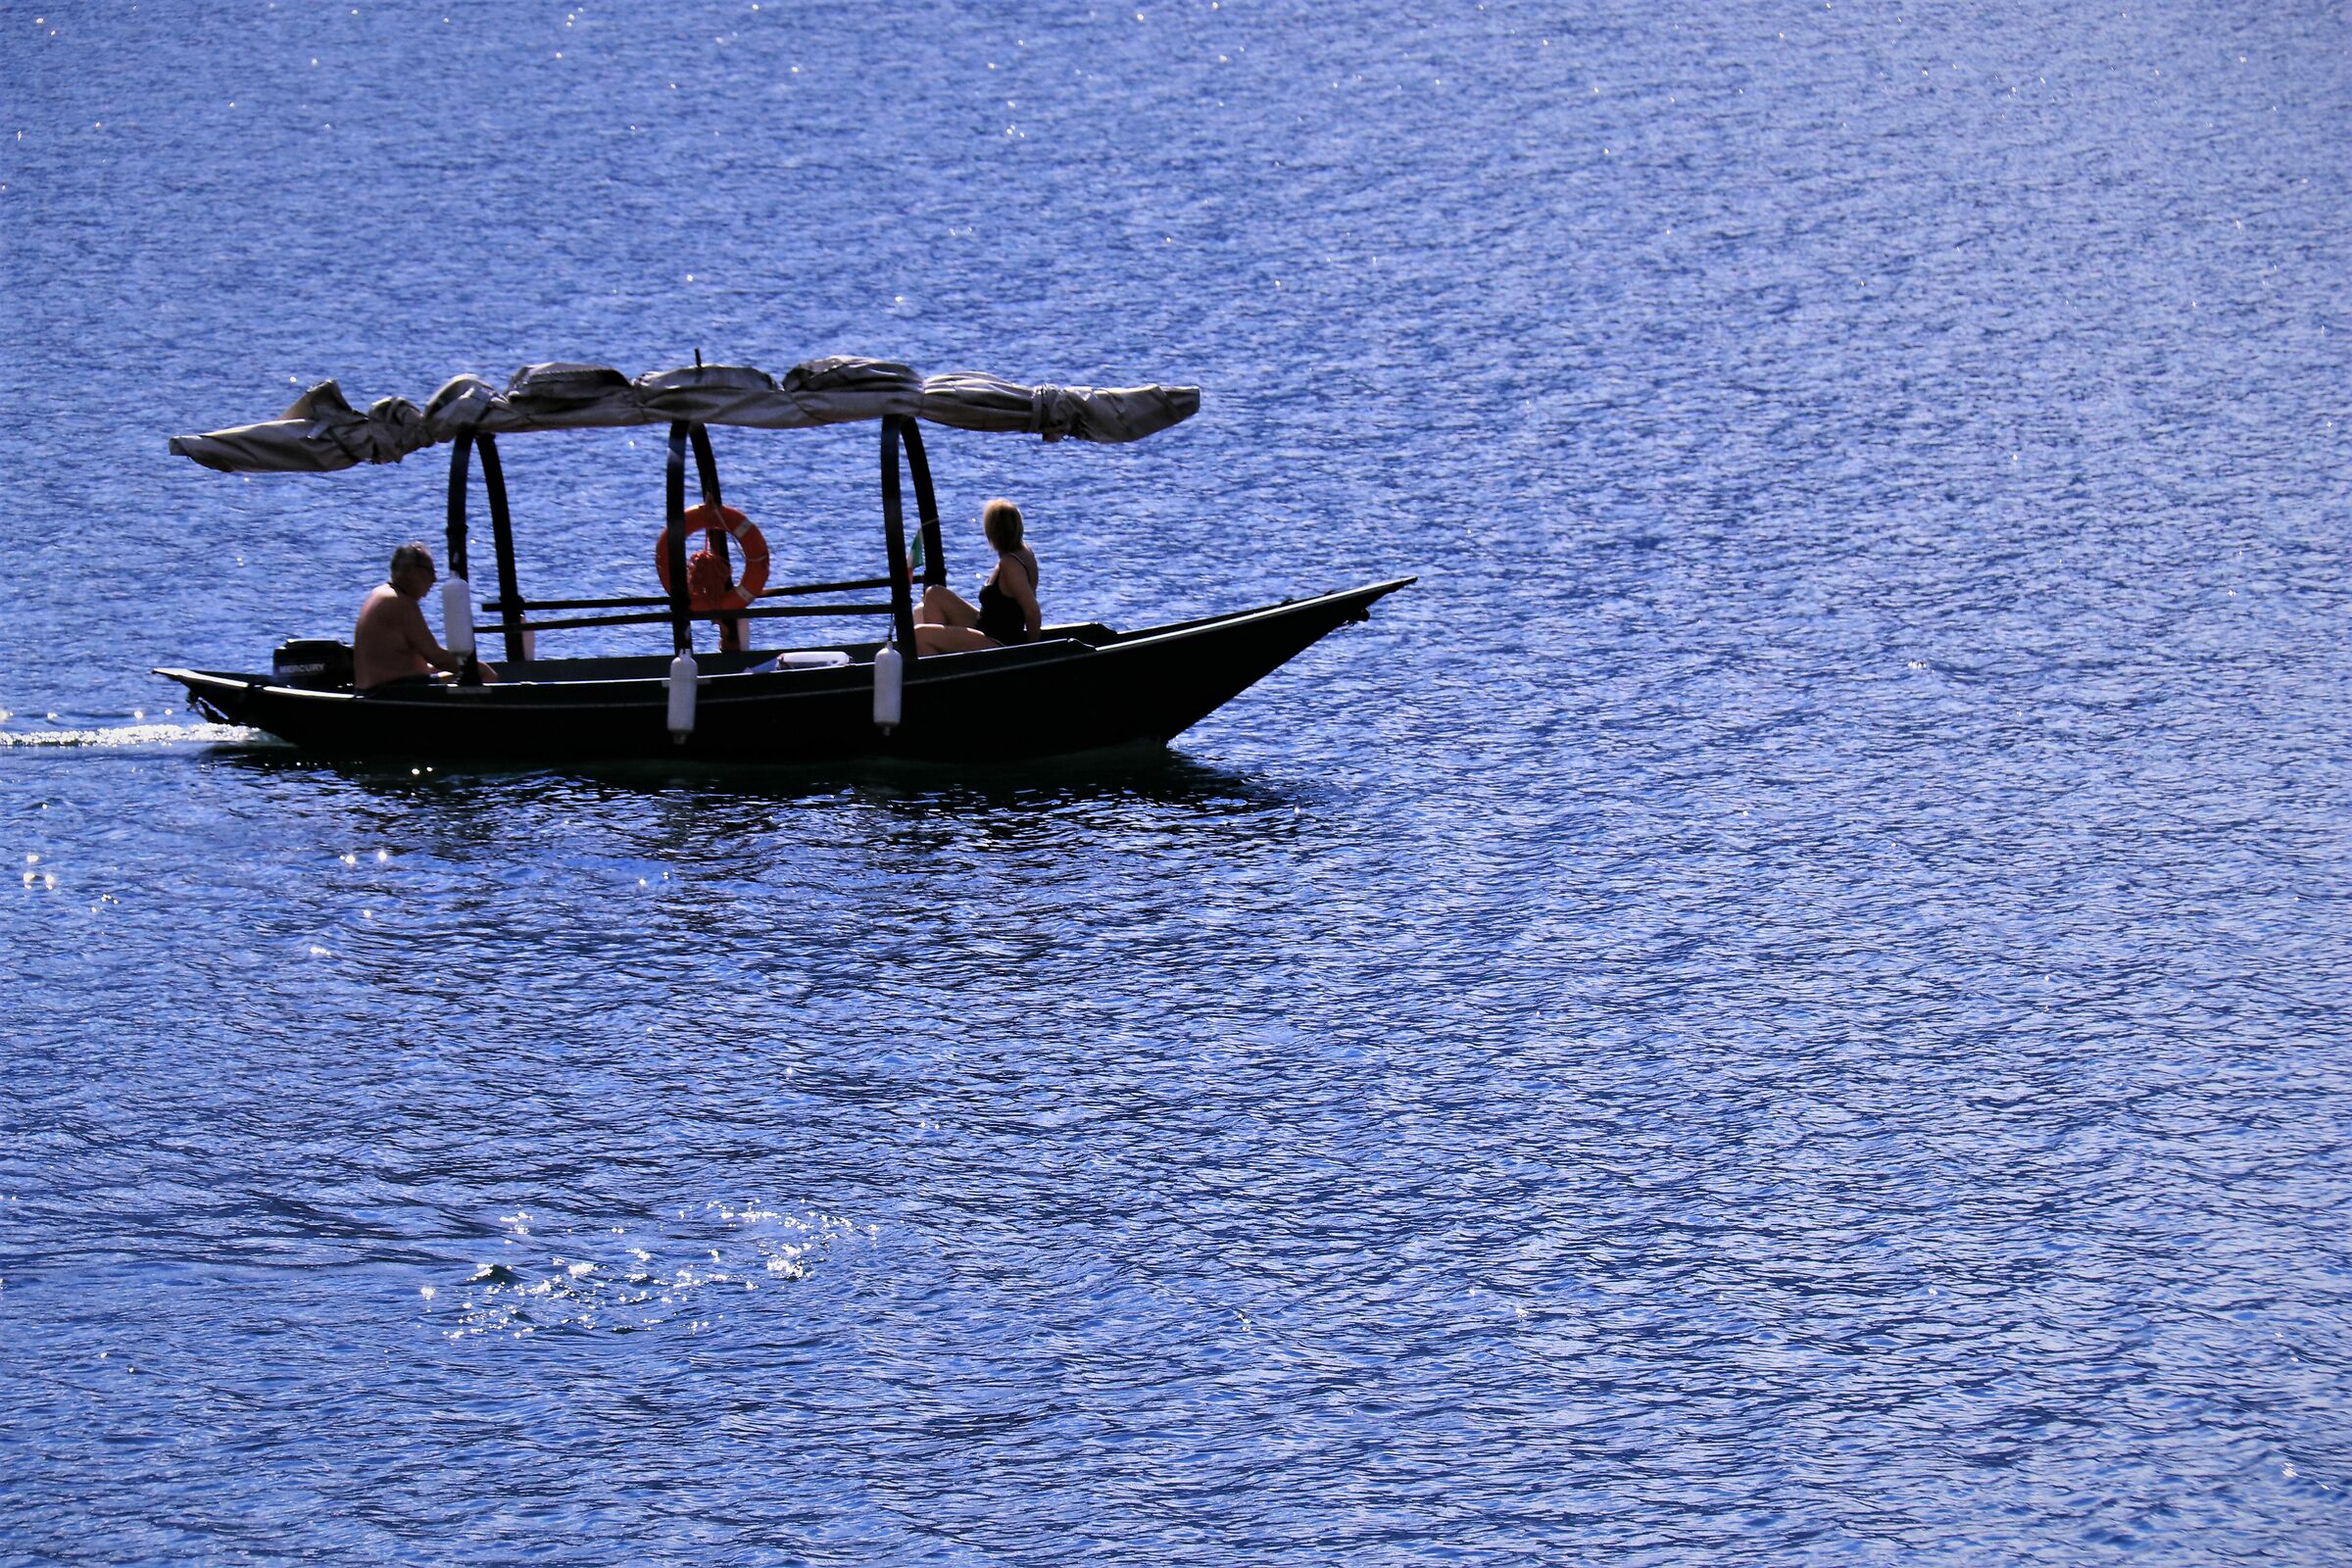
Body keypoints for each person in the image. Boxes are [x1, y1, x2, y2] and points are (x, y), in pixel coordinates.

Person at [353, 543, 498, 691]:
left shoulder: (379, 594)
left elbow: (402, 660)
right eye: (430, 571)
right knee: (480, 675)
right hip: (392, 693)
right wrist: (476, 668)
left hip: (376, 690)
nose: (434, 579)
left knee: (451, 674)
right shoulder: (400, 603)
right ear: (411, 570)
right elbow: (436, 656)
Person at [912, 498, 1041, 656]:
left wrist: (1031, 653)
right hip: (986, 625)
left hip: (999, 643)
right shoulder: (1023, 551)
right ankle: (944, 650)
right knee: (934, 594)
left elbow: (1032, 611)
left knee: (920, 635)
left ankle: (942, 666)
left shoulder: (1010, 565)